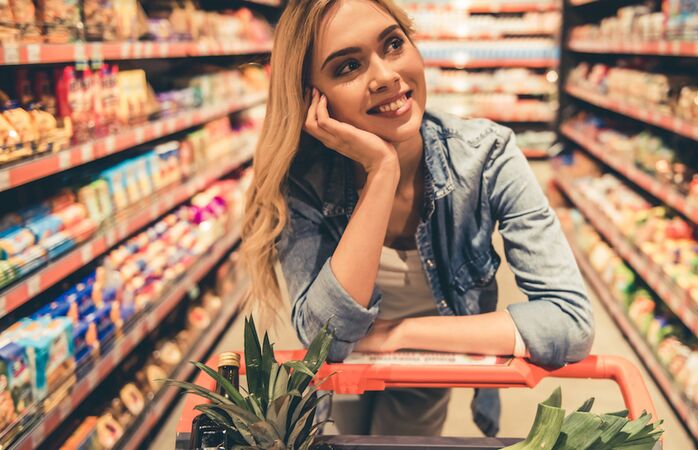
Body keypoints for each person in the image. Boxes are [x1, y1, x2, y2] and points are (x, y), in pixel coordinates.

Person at [241, 0, 594, 437]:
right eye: (348, 66)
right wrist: (381, 172)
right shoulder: (305, 182)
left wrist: (401, 333)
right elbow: (324, 343)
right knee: (342, 434)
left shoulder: (487, 157)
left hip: (426, 358)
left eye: (392, 44)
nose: (387, 75)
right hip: (341, 371)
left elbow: (570, 321)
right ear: (312, 98)